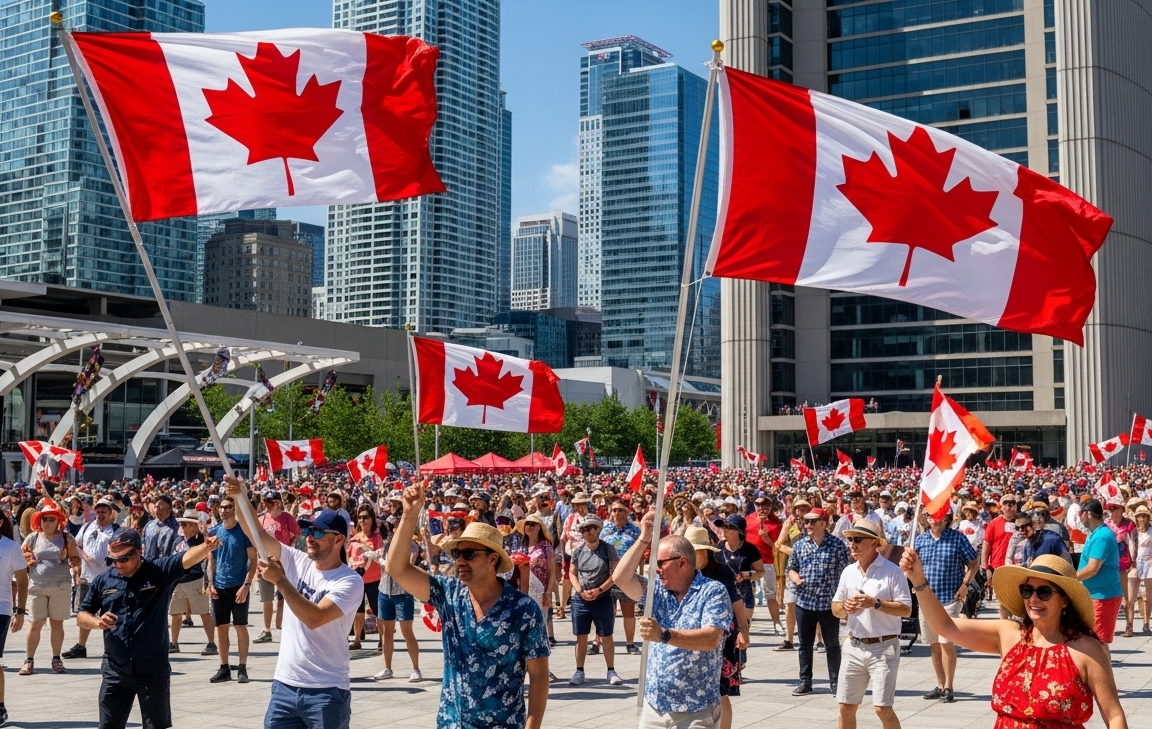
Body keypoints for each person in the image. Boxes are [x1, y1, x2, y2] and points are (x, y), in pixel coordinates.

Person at [386, 481, 549, 729]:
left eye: (469, 554)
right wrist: (409, 514)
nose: (460, 560)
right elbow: (396, 569)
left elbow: (538, 676)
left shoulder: (523, 609)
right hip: (452, 723)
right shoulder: (448, 594)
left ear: (493, 558)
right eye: (456, 554)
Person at [900, 551, 1127, 729]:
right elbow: (944, 626)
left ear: (1065, 600)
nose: (1034, 599)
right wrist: (918, 580)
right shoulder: (1009, 634)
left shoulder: (1086, 649)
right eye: (1027, 590)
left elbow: (1113, 714)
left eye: (1044, 592)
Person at [224, 478, 365, 729]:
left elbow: (315, 618)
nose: (310, 537)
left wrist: (281, 581)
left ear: (338, 540)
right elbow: (255, 534)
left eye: (319, 532)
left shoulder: (350, 581)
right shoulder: (296, 559)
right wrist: (240, 497)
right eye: (309, 531)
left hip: (326, 690)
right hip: (285, 686)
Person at [78, 527, 219, 729]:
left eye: (123, 559)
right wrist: (97, 622)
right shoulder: (104, 579)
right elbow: (82, 615)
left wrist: (206, 546)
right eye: (112, 560)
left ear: (139, 551)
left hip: (152, 669)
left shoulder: (159, 571)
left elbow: (185, 559)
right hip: (116, 670)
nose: (117, 564)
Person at [612, 510, 732, 729]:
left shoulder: (712, 591)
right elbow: (620, 578)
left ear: (682, 562)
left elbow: (711, 638)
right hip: (655, 707)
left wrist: (664, 635)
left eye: (660, 563)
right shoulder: (656, 590)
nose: (655, 569)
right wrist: (644, 539)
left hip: (695, 708)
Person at [830, 519, 911, 729]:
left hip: (884, 647)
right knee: (845, 707)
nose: (852, 544)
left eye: (857, 539)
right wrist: (846, 606)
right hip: (854, 645)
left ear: (874, 542)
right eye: (850, 539)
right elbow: (835, 608)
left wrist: (875, 603)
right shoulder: (848, 571)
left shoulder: (892, 571)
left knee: (882, 708)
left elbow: (906, 609)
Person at [912, 510, 978, 703]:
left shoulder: (958, 538)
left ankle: (949, 686)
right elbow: (914, 566)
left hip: (950, 598)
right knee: (933, 644)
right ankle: (940, 685)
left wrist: (965, 585)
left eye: (940, 515)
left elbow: (974, 563)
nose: (936, 519)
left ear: (947, 518)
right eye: (932, 516)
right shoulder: (921, 540)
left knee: (946, 643)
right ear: (927, 518)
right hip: (926, 599)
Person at [684, 525, 746, 729]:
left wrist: (744, 633)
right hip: (692, 636)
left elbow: (737, 603)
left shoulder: (722, 571)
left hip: (723, 637)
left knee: (721, 691)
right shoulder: (684, 572)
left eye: (694, 552)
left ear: (705, 551)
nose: (689, 557)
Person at [787, 506, 850, 696]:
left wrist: (844, 600)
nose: (807, 525)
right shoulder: (799, 545)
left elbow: (846, 573)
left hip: (828, 603)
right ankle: (805, 681)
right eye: (806, 521)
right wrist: (796, 578)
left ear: (823, 523)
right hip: (804, 601)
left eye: (811, 521)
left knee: (831, 644)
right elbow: (791, 568)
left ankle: (836, 682)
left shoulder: (837, 545)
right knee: (805, 644)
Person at [18, 498, 78, 675]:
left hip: (61, 586)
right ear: (39, 521)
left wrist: (73, 562)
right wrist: (29, 560)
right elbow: (22, 557)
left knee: (57, 625)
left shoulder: (66, 538)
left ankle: (56, 659)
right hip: (37, 586)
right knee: (34, 624)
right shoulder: (32, 538)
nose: (48, 522)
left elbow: (76, 559)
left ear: (58, 521)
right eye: (44, 519)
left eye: (52, 519)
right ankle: (29, 660)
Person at [207, 495, 257, 684]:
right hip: (219, 585)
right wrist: (210, 583)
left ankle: (242, 667)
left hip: (238, 585)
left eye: (228, 507)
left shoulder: (243, 532)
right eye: (222, 507)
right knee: (221, 628)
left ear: (235, 509)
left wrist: (246, 585)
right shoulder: (214, 531)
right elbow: (211, 561)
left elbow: (253, 561)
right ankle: (224, 666)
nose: (224, 510)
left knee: (240, 626)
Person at [568, 513, 622, 685]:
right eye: (586, 529)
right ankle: (579, 671)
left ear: (598, 530)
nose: (590, 532)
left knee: (606, 635)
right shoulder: (578, 552)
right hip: (581, 598)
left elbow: (615, 575)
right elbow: (572, 572)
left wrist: (599, 590)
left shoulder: (608, 549)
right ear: (582, 532)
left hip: (603, 597)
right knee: (581, 636)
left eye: (593, 528)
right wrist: (580, 590)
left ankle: (611, 671)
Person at [65, 497, 121, 660]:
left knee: (110, 614)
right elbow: (76, 544)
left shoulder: (116, 530)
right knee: (86, 612)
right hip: (87, 578)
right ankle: (81, 646)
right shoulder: (87, 527)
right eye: (98, 511)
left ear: (112, 514)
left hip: (109, 579)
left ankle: (111, 648)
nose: (100, 514)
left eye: (104, 511)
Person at [254, 489, 300, 644]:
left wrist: (289, 552)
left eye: (268, 503)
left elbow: (298, 535)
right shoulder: (263, 519)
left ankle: (288, 625)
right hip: (266, 561)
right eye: (264, 502)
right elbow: (257, 540)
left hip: (283, 562)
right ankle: (267, 630)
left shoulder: (286, 518)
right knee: (266, 598)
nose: (265, 506)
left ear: (277, 503)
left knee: (286, 595)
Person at [1076, 498, 1123, 651]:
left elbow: (1092, 568)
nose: (1078, 516)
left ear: (1088, 513)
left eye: (1080, 513)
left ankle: (1103, 674)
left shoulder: (1102, 536)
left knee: (1098, 644)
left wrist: (1070, 578)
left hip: (1103, 596)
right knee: (1095, 642)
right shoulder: (1095, 533)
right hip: (1096, 594)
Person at [168, 511, 216, 656]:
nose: (182, 527)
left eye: (185, 524)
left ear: (195, 527)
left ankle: (212, 642)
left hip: (194, 579)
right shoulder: (178, 540)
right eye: (181, 524)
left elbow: (204, 560)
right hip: (178, 581)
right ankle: (174, 642)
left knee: (203, 612)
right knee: (175, 612)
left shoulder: (201, 541)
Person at [600, 499, 641, 654]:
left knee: (628, 612)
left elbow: (640, 554)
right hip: (606, 576)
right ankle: (599, 641)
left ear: (627, 512)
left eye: (620, 510)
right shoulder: (605, 529)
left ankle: (630, 643)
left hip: (627, 576)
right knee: (604, 611)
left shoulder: (635, 531)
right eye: (614, 510)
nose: (616, 513)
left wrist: (640, 572)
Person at [0, 510, 29, 726]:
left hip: (1, 609)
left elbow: (22, 580)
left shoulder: (10, 547)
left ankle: (0, 707)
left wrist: (20, 611)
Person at [774, 498, 810, 651]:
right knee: (790, 605)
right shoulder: (790, 524)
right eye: (798, 508)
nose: (800, 511)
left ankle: (818, 639)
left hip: (811, 568)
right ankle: (789, 639)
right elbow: (779, 544)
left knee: (814, 605)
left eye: (804, 508)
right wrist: (795, 553)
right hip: (794, 567)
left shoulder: (813, 523)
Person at [347, 505, 384, 653]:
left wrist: (372, 554)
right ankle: (357, 640)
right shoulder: (355, 538)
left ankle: (382, 639)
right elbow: (349, 557)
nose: (362, 520)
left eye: (365, 517)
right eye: (360, 517)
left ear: (372, 519)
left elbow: (379, 554)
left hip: (374, 579)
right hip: (358, 579)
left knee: (377, 611)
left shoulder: (377, 537)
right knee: (358, 610)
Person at [745, 496, 783, 633]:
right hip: (748, 562)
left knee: (771, 595)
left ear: (770, 506)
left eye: (765, 505)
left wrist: (767, 540)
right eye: (758, 504)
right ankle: (745, 626)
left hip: (767, 562)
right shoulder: (747, 520)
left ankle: (777, 622)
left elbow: (779, 547)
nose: (762, 508)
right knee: (747, 594)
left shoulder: (776, 524)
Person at [982, 494, 1020, 618]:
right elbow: (986, 547)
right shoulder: (993, 524)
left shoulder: (1022, 522)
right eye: (1006, 503)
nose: (1009, 507)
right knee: (1003, 601)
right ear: (1001, 507)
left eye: (1012, 503)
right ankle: (1005, 628)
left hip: (1018, 566)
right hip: (998, 566)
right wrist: (985, 567)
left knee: (1017, 600)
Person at [1125, 504, 1152, 635]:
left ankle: (1146, 623)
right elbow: (1128, 548)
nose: (1142, 519)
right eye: (1139, 516)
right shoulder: (1132, 532)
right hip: (1135, 563)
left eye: (1144, 516)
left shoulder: (1151, 531)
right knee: (1130, 597)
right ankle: (1129, 625)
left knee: (1148, 596)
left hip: (1149, 563)